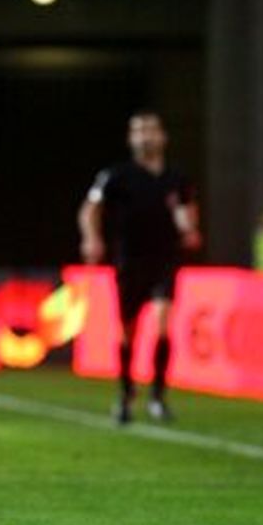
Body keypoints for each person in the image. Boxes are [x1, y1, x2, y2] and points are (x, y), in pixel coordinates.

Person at [78, 111, 200, 425]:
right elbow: (90, 208)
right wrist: (92, 238)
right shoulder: (116, 175)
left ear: (163, 137)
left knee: (162, 321)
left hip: (164, 259)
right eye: (139, 131)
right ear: (131, 139)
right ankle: (126, 393)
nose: (145, 136)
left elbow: (186, 210)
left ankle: (158, 396)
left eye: (150, 130)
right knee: (128, 331)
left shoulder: (176, 178)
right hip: (129, 260)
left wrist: (189, 229)